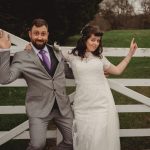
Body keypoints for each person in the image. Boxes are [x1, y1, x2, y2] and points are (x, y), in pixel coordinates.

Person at [0, 18, 73, 150]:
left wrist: (96, 70)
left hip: (63, 108)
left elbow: (67, 72)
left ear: (48, 34)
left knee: (72, 142)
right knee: (37, 145)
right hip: (38, 110)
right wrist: (4, 51)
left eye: (43, 33)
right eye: (36, 33)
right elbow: (5, 79)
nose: (39, 37)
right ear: (30, 34)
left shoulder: (56, 52)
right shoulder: (22, 56)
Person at [61, 25, 138, 150]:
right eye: (93, 40)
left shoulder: (100, 57)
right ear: (84, 39)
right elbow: (51, 54)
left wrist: (130, 54)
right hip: (82, 104)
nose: (96, 43)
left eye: (98, 41)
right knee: (84, 137)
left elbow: (118, 71)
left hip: (101, 104)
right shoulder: (71, 54)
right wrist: (30, 47)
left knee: (98, 139)